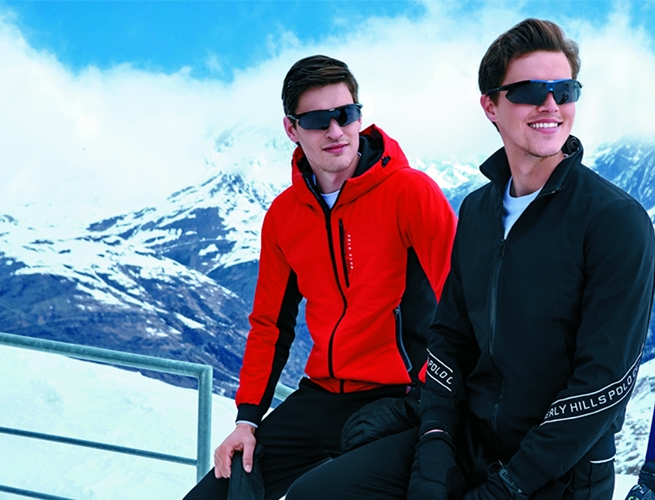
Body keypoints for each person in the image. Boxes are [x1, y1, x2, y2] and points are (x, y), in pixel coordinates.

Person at [286, 18, 655, 500]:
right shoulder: (479, 211)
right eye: (530, 91)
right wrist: (434, 453)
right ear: (491, 106)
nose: (551, 105)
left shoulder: (614, 221)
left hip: (558, 472)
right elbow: (450, 339)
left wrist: (507, 488)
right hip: (467, 444)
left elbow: (602, 384)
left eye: (564, 91)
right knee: (317, 493)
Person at [182, 55, 457, 500]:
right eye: (316, 120)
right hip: (321, 396)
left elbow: (463, 303)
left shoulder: (410, 193)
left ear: (359, 117)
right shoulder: (284, 216)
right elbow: (270, 326)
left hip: (400, 396)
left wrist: (425, 396)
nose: (335, 131)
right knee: (214, 496)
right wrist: (247, 420)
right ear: (292, 129)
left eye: (345, 115)